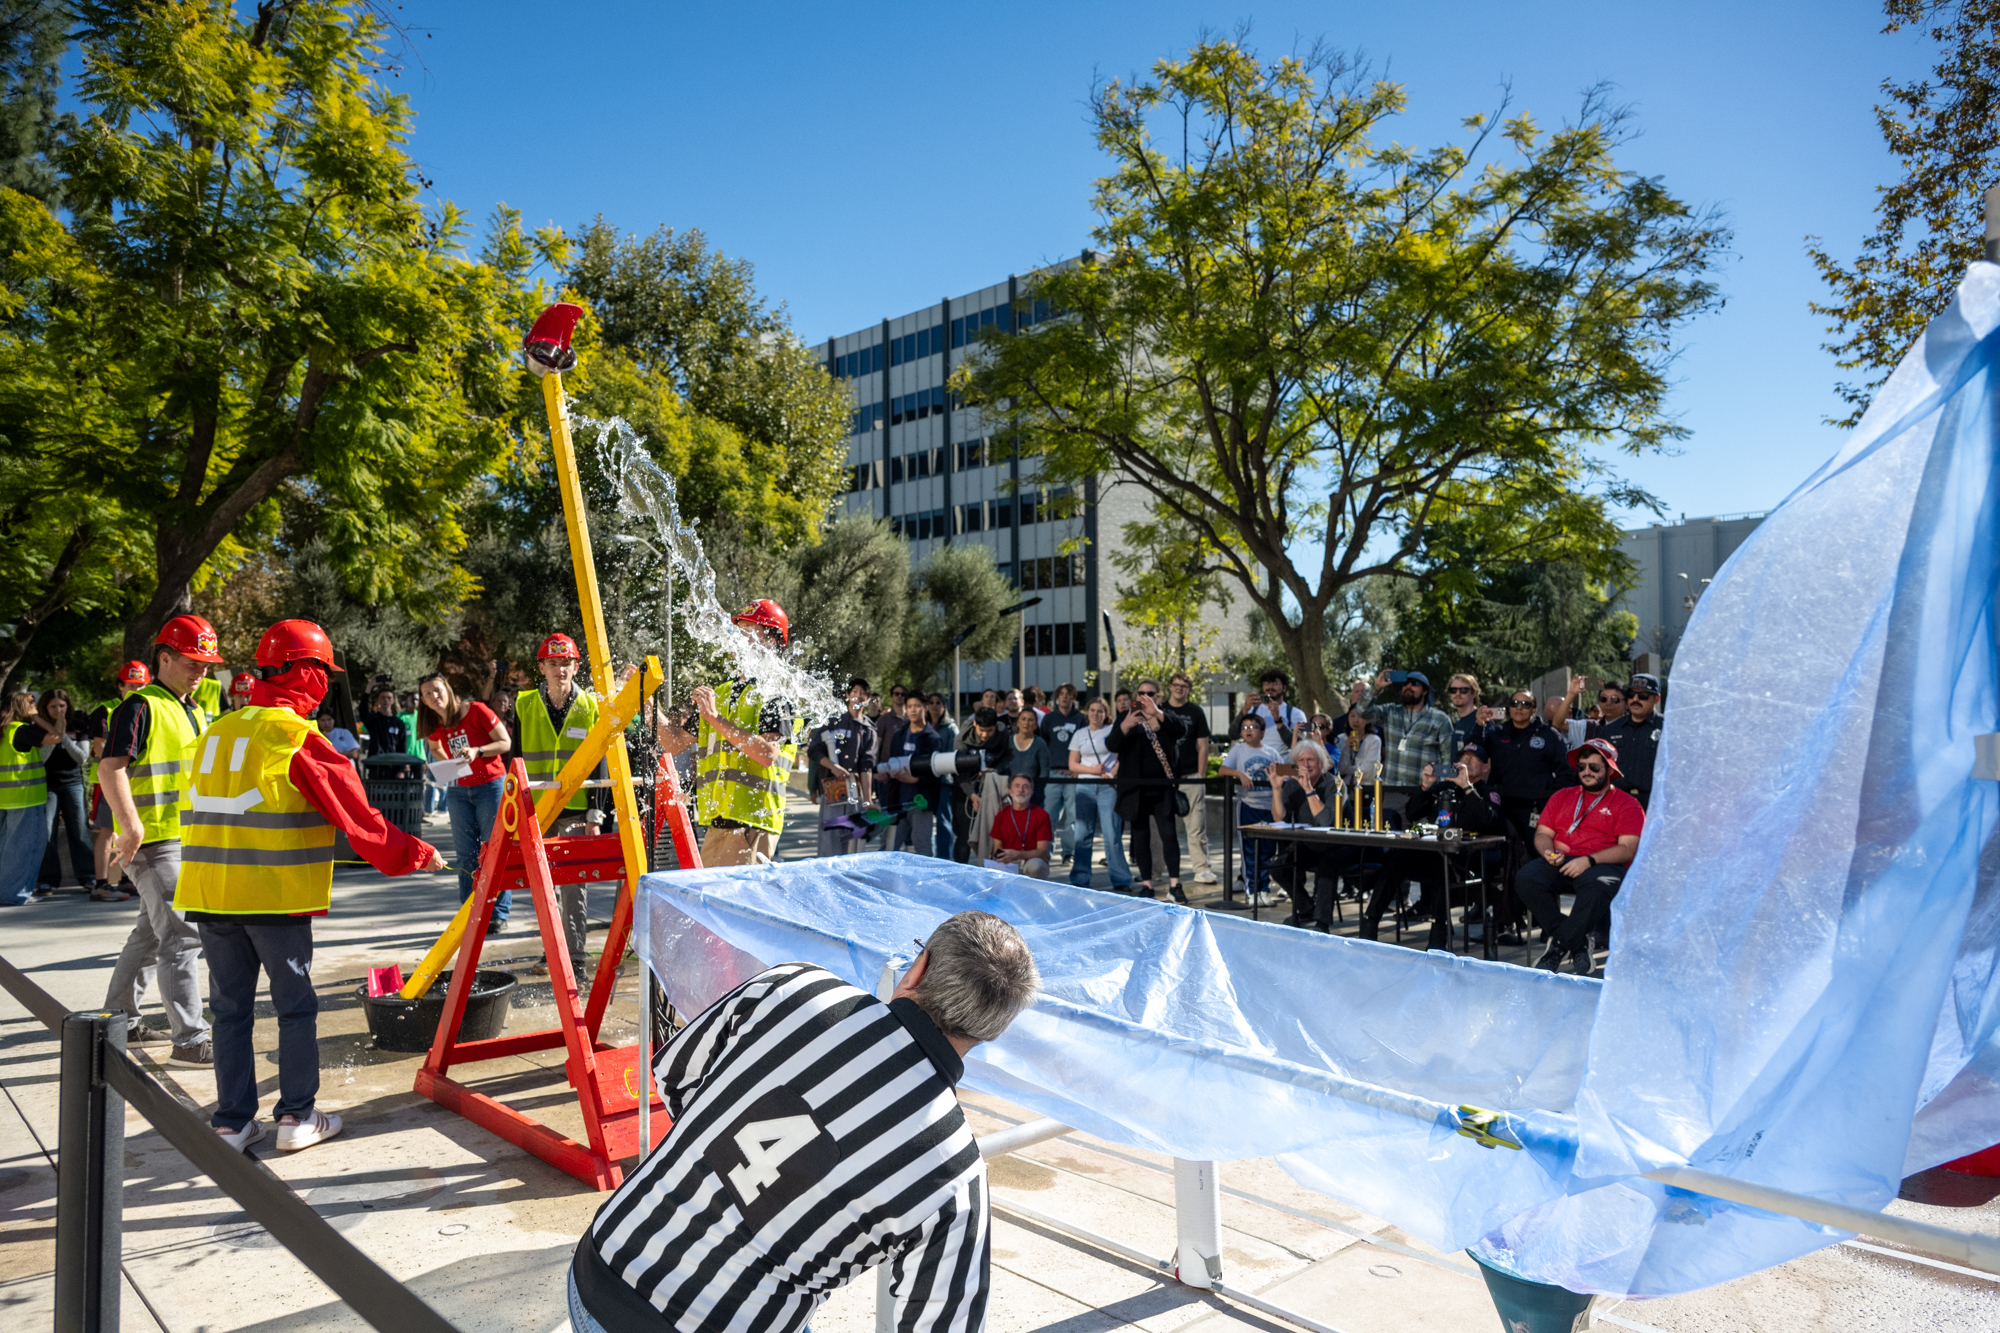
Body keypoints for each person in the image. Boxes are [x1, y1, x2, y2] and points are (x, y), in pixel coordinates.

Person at [567, 912, 1039, 1333]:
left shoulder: (797, 987)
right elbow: (945, 1319)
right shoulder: (955, 1171)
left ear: (919, 967)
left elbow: (678, 1078)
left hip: (600, 1268)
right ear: (991, 1031)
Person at [177, 620, 446, 1152]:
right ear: (307, 674)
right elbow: (362, 822)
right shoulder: (298, 739)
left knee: (229, 1011)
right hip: (272, 897)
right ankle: (297, 1118)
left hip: (210, 896)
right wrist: (421, 854)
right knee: (294, 1007)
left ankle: (231, 1122)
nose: (326, 684)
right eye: (323, 672)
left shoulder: (217, 731)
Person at [99, 613, 223, 1065]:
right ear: (164, 658)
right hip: (153, 841)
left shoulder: (192, 709)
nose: (202, 671)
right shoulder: (139, 706)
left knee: (150, 935)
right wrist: (130, 827)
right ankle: (190, 1040)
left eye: (206, 663)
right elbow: (108, 769)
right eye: (193, 662)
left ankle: (121, 1019)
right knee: (182, 936)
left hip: (179, 837)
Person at [656, 600, 803, 867]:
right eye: (740, 630)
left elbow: (767, 753)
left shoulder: (776, 693)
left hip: (752, 825)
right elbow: (674, 742)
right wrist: (644, 703)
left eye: (749, 630)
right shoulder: (722, 693)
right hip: (719, 822)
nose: (739, 638)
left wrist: (715, 718)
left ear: (771, 641)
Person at [514, 631, 610, 964]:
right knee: (544, 889)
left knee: (574, 889)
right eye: (553, 663)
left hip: (576, 811)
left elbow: (600, 764)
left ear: (576, 666)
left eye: (566, 662)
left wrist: (595, 817)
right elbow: (515, 762)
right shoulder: (524, 704)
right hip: (537, 812)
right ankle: (554, 954)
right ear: (541, 667)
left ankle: (577, 957)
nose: (560, 670)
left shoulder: (590, 705)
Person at [1357, 739, 1507, 949]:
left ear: (1485, 767)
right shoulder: (1444, 787)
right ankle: (1370, 922)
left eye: (1473, 760)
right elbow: (1412, 813)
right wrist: (1426, 786)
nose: (1466, 763)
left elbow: (1489, 821)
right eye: (1463, 758)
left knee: (1441, 861)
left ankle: (1439, 933)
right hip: (1434, 850)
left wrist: (1467, 787)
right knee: (1397, 856)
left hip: (1466, 859)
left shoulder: (1489, 792)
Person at [1514, 738, 1645, 976]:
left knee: (1596, 886)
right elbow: (1543, 833)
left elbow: (1628, 849)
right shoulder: (1563, 796)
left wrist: (1589, 860)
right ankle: (1577, 942)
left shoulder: (1628, 803)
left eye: (1594, 767)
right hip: (1564, 859)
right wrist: (1548, 852)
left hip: (1604, 864)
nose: (1586, 772)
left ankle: (1559, 948)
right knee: (1527, 877)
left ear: (1609, 770)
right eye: (1582, 766)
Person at [420, 672, 513, 930]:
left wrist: (478, 751)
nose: (433, 696)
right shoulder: (435, 724)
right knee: (466, 856)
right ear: (424, 701)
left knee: (493, 850)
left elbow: (505, 742)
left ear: (447, 689)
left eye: (437, 690)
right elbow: (435, 748)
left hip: (490, 787)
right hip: (459, 790)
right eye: (427, 694)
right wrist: (447, 763)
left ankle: (498, 914)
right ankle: (470, 913)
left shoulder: (477, 710)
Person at [1108, 681, 1193, 902]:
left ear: (1158, 695)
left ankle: (1175, 885)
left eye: (1150, 693)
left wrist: (1156, 713)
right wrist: (1125, 724)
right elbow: (1111, 744)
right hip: (1135, 790)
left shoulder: (1165, 717)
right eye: (1141, 692)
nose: (1145, 696)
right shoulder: (1127, 716)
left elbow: (1180, 730)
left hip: (1162, 789)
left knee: (1169, 836)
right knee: (1140, 837)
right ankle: (1147, 884)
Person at [85, 662, 151, 901]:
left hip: (131, 780)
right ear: (120, 686)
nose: (138, 689)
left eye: (142, 684)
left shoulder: (146, 706)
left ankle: (124, 880)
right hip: (108, 782)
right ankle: (102, 883)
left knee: (125, 828)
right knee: (107, 830)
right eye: (132, 685)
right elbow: (100, 746)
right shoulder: (107, 709)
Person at [1355, 669, 1455, 822]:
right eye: (1404, 684)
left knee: (1421, 843)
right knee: (1390, 842)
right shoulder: (1390, 712)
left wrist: (1439, 794)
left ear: (1425, 691)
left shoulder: (1440, 719)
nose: (1408, 686)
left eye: (1414, 683)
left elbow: (1448, 760)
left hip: (1423, 794)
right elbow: (1362, 710)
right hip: (1392, 793)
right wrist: (1376, 687)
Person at [1483, 689, 1575, 851]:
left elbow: (1566, 773)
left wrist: (1551, 799)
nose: (1519, 708)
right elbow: (1473, 757)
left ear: (1534, 710)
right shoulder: (1495, 734)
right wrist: (1478, 726)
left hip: (1536, 808)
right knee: (1498, 857)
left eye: (1525, 704)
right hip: (1501, 806)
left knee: (1539, 853)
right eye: (1515, 703)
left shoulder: (1550, 736)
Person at [1273, 738, 1342, 928]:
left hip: (1339, 844)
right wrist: (1277, 789)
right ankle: (1305, 908)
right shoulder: (1292, 785)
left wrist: (1309, 790)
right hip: (1311, 843)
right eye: (1301, 761)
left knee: (1327, 864)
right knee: (1278, 866)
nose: (1305, 765)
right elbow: (1279, 818)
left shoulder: (1334, 785)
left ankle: (1322, 922)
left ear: (1320, 763)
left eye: (1310, 760)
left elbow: (1324, 821)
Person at [1218, 713, 1285, 906]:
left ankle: (1264, 890)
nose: (1248, 731)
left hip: (1269, 807)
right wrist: (1238, 773)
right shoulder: (1238, 750)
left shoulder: (1271, 753)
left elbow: (1284, 772)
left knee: (1268, 851)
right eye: (1245, 728)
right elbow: (1223, 770)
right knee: (1250, 851)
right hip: (1248, 805)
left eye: (1253, 727)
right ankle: (1252, 891)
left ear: (1262, 732)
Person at [1067, 696, 1133, 891]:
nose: (1096, 714)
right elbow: (1072, 763)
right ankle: (1080, 878)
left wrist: (1111, 773)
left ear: (1106, 714)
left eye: (1100, 711)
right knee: (1082, 833)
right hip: (1085, 786)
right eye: (1093, 710)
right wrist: (1093, 771)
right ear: (1088, 712)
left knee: (1112, 832)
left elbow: (1122, 758)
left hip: (1107, 786)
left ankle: (1121, 878)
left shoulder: (1112, 731)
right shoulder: (1080, 734)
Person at [809, 677, 878, 857]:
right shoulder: (833, 721)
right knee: (830, 842)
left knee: (853, 844)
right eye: (854, 691)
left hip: (856, 791)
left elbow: (866, 766)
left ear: (868, 699)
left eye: (863, 693)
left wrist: (868, 800)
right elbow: (814, 751)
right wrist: (833, 767)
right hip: (833, 788)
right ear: (847, 695)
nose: (858, 696)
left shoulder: (869, 729)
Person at [34, 689, 91, 899]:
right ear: (45, 708)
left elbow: (82, 758)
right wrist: (53, 734)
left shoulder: (77, 724)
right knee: (47, 832)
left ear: (68, 706)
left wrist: (62, 736)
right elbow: (41, 758)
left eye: (62, 706)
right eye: (53, 707)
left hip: (73, 783)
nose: (58, 710)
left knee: (80, 829)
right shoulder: (38, 727)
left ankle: (87, 876)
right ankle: (48, 880)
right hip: (48, 786)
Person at [0, 691, 55, 905]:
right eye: (30, 703)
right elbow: (56, 737)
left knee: (6, 849)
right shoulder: (21, 731)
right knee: (25, 848)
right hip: (26, 798)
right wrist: (36, 718)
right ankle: (15, 894)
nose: (35, 705)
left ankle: (8, 891)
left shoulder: (4, 730)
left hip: (5, 799)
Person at [1163, 672, 1217, 885]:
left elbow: (1203, 746)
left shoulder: (1196, 712)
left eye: (1184, 686)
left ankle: (1202, 869)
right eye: (1176, 684)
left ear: (1189, 689)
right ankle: (1156, 872)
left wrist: (1200, 777)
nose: (1179, 688)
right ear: (1170, 686)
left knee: (1196, 828)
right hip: (1165, 778)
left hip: (1191, 775)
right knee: (1160, 830)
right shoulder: (1161, 710)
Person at [884, 692, 947, 857]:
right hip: (898, 800)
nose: (913, 710)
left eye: (917, 706)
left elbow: (936, 773)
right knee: (890, 846)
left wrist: (916, 779)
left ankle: (928, 881)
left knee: (922, 846)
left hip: (921, 801)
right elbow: (892, 761)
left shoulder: (932, 738)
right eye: (909, 706)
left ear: (925, 708)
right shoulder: (899, 735)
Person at [1597, 673, 1664, 808]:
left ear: (1656, 699)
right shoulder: (1610, 730)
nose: (1635, 699)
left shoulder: (1667, 728)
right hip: (1617, 802)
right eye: (1631, 695)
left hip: (1655, 803)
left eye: (1643, 696)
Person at [1037, 683, 1085, 864]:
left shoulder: (1080, 719)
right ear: (1057, 697)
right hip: (1053, 774)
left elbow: (1084, 745)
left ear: (1073, 698)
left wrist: (1077, 767)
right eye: (1062, 694)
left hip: (1073, 775)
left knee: (1072, 816)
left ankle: (1068, 852)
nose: (1065, 697)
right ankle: (1045, 853)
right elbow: (1044, 744)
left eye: (1069, 694)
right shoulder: (1049, 719)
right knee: (1049, 816)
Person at [989, 773, 1052, 877]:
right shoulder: (1001, 815)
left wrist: (1018, 855)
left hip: (1031, 861)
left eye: (1025, 787)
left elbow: (1042, 851)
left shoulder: (1042, 815)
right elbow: (997, 848)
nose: (1021, 790)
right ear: (1010, 791)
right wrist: (1002, 858)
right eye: (1017, 786)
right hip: (1008, 862)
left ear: (1031, 792)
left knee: (1036, 866)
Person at [923, 693, 958, 860]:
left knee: (944, 822)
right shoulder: (921, 726)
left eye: (939, 703)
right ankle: (927, 859)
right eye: (931, 702)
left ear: (944, 706)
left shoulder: (951, 728)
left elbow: (954, 755)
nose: (935, 706)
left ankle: (944, 860)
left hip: (944, 780)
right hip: (924, 781)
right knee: (924, 821)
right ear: (926, 706)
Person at [1001, 704, 1051, 806]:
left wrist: (1033, 794)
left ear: (1036, 725)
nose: (1026, 723)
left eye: (1030, 720)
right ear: (1018, 723)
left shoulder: (1040, 744)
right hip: (1008, 797)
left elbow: (1044, 773)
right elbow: (1001, 767)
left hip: (1033, 797)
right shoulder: (1007, 742)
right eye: (1023, 719)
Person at [1251, 670, 1307, 749]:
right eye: (1266, 683)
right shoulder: (1252, 711)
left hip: (1283, 761)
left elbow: (1299, 745)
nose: (1270, 687)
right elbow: (1233, 735)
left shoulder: (1295, 713)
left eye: (1275, 683)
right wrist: (1244, 710)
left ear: (1284, 688)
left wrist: (1278, 721)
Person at [1331, 704, 1383, 783]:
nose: (1355, 720)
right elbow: (1338, 769)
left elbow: (1368, 772)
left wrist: (1348, 770)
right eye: (1352, 716)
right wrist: (1346, 747)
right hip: (1344, 786)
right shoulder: (1340, 738)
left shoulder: (1374, 740)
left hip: (1365, 786)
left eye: (1360, 716)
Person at [1445, 674, 1488, 752]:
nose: (1457, 693)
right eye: (1453, 690)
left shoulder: (1483, 720)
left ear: (1473, 694)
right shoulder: (1457, 723)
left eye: (1463, 690)